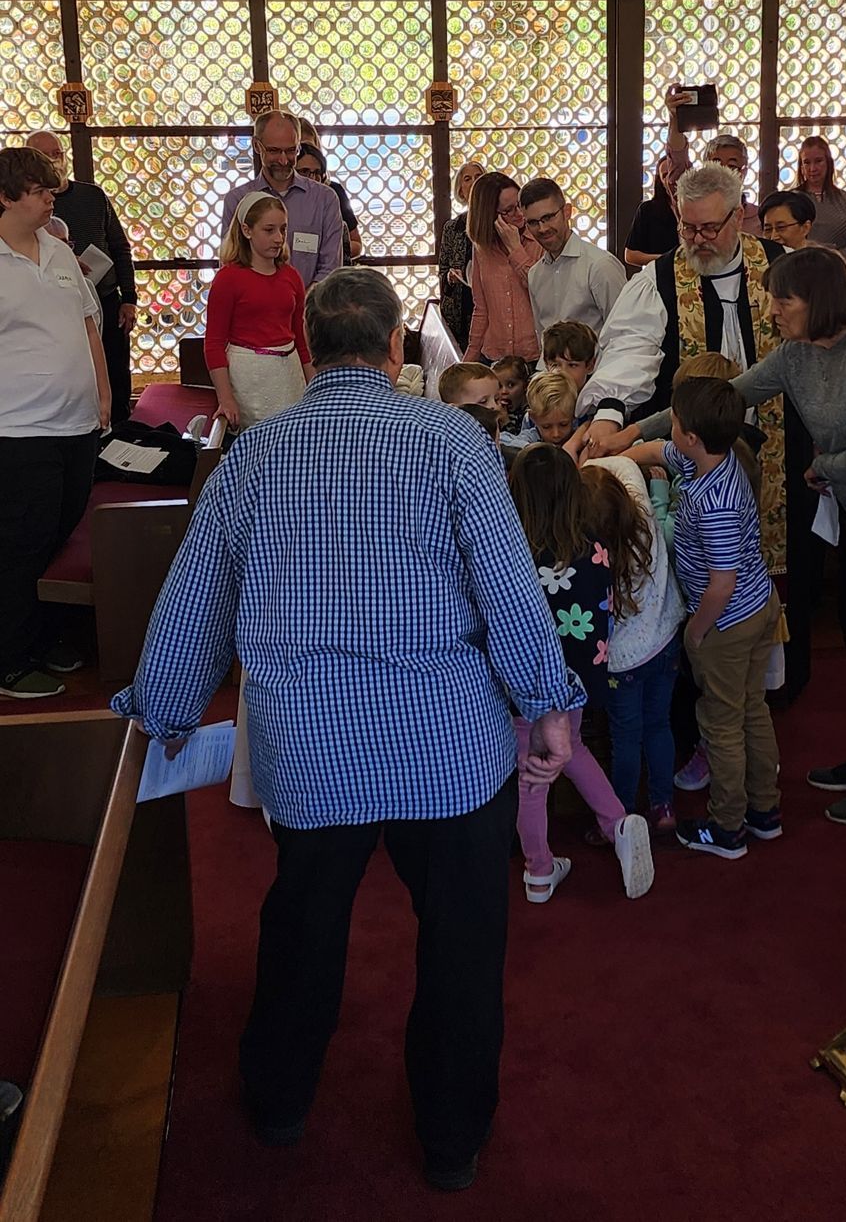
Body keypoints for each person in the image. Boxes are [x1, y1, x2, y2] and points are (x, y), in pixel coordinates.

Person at [111, 267, 583, 1190]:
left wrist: (162, 707)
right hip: (445, 748)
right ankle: (451, 1144)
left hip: (311, 750)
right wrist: (546, 705)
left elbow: (199, 589)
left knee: (304, 926)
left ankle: (279, 1101)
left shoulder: (258, 452)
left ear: (309, 347)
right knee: (460, 945)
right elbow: (507, 587)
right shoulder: (451, 438)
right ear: (396, 347)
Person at [616, 247, 846, 824]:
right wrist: (622, 434)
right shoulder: (795, 354)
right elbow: (721, 401)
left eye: (781, 299)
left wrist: (822, 469)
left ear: (816, 301)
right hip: (845, 511)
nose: (770, 310)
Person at [578, 162, 787, 578]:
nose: (697, 240)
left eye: (709, 228)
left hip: (777, 435)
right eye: (687, 228)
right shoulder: (660, 277)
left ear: (738, 215)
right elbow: (629, 349)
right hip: (696, 440)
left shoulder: (782, 266)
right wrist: (608, 414)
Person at [623, 378, 782, 860]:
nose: (669, 430)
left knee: (721, 724)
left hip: (727, 621)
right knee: (752, 708)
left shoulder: (715, 501)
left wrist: (696, 631)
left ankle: (728, 826)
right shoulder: (711, 458)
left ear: (690, 435)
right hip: (758, 606)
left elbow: (721, 583)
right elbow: (657, 451)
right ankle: (765, 812)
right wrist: (619, 448)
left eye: (674, 422)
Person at [507, 442, 654, 903]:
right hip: (576, 684)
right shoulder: (594, 551)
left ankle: (539, 869)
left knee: (532, 777)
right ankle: (617, 822)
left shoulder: (512, 557)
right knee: (571, 752)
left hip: (523, 686)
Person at [0, 146, 110, 699]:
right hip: (19, 428)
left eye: (52, 190)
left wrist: (105, 391)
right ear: (6, 197)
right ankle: (10, 659)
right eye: (40, 191)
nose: (51, 199)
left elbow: (90, 326)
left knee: (60, 534)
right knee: (23, 539)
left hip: (76, 423)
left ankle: (43, 638)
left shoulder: (60, 252)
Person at [582, 456, 687, 832]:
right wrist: (588, 455)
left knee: (624, 738)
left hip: (623, 664)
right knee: (659, 725)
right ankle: (663, 806)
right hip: (667, 644)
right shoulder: (644, 518)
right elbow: (624, 462)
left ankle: (621, 816)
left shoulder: (591, 559)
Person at [27, 129, 137, 424]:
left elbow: (119, 248)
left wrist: (129, 298)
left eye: (56, 154)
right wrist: (64, 259)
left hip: (106, 297)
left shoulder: (93, 196)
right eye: (43, 157)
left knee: (116, 372)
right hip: (61, 308)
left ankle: (121, 435)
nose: (53, 162)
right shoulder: (31, 208)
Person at [205, 193, 313, 431]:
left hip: (289, 372)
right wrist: (226, 398)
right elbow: (213, 344)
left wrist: (313, 384)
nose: (278, 238)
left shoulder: (291, 276)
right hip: (249, 377)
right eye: (269, 230)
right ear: (247, 230)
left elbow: (301, 338)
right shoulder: (228, 279)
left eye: (283, 229)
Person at [223, 111, 343, 287]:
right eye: (273, 151)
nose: (283, 160)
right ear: (257, 146)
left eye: (290, 151)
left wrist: (301, 305)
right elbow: (230, 265)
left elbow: (330, 268)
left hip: (309, 309)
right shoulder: (238, 200)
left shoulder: (324, 199)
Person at [522, 177, 625, 339]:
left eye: (548, 218)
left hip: (600, 364)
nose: (542, 229)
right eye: (533, 222)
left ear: (567, 212)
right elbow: (543, 341)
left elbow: (624, 332)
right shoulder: (535, 274)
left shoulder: (600, 265)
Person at [660, 84, 764, 236]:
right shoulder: (691, 203)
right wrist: (675, 119)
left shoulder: (759, 217)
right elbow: (678, 161)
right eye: (716, 163)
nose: (722, 171)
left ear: (744, 172)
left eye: (732, 166)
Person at [464, 173, 541, 363]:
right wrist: (470, 357)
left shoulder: (539, 238)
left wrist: (516, 249)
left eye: (520, 205)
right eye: (509, 210)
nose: (520, 213)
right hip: (495, 356)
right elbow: (481, 308)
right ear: (490, 215)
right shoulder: (482, 248)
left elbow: (542, 292)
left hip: (534, 356)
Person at [438, 159, 487, 349]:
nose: (474, 182)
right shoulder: (452, 228)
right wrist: (450, 277)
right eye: (467, 179)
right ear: (460, 190)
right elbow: (443, 269)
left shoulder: (499, 223)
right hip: (462, 307)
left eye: (478, 176)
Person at [794, 136, 846, 264]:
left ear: (829, 162)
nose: (812, 168)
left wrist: (832, 257)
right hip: (798, 271)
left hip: (837, 274)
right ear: (801, 166)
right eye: (807, 162)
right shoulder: (791, 200)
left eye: (818, 161)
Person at [295, 139, 361, 265]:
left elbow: (357, 244)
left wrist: (331, 249)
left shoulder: (333, 194)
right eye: (304, 172)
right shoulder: (280, 202)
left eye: (316, 173)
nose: (312, 178)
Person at [624, 165, 679, 269]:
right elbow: (630, 255)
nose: (671, 180)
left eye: (674, 172)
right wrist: (665, 259)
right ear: (660, 180)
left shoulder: (699, 207)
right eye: (665, 175)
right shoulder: (648, 209)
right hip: (661, 274)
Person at [491, 356, 530, 434]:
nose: (504, 391)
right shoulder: (494, 409)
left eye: (511, 385)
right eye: (499, 386)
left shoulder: (530, 415)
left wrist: (505, 422)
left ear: (526, 385)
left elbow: (520, 444)